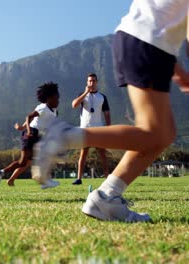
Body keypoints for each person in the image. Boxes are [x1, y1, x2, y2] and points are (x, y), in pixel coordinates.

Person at [32, 0, 189, 222]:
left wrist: (177, 68)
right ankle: (66, 136)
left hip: (137, 40)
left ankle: (107, 196)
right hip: (149, 44)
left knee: (161, 134)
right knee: (155, 133)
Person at [0, 82, 60, 190]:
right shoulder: (43, 107)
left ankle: (1, 173)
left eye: (58, 98)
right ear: (48, 98)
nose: (58, 101)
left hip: (37, 136)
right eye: (56, 98)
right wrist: (26, 129)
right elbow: (29, 117)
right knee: (24, 161)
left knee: (28, 161)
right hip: (31, 134)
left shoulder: (54, 111)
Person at [71, 73, 110, 185]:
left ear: (97, 82)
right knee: (83, 153)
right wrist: (85, 93)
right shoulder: (82, 95)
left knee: (102, 154)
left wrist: (109, 128)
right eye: (89, 81)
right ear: (87, 82)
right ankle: (79, 178)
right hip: (85, 129)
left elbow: (107, 113)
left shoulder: (102, 97)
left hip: (99, 129)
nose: (91, 83)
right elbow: (74, 105)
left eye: (93, 81)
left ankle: (108, 179)